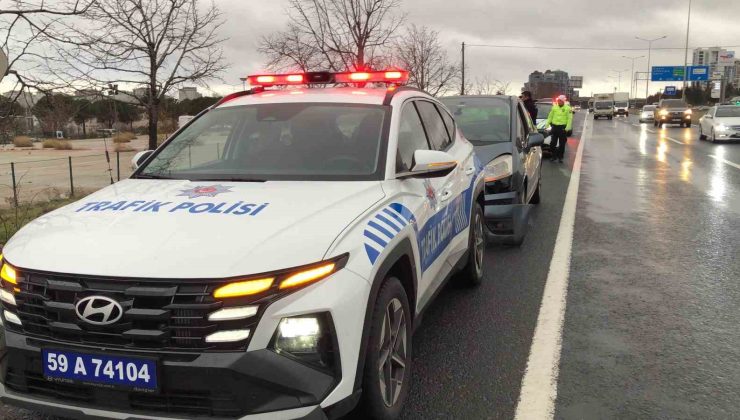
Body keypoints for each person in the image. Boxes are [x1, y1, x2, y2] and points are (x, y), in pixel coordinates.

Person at [546, 94, 573, 163]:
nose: (559, 101)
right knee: (552, 143)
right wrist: (547, 124)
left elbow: (570, 119)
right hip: (555, 127)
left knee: (562, 144)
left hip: (562, 128)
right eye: (558, 100)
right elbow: (550, 116)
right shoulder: (554, 107)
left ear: (563, 101)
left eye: (560, 100)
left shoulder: (568, 108)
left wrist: (567, 128)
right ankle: (554, 156)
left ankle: (560, 157)